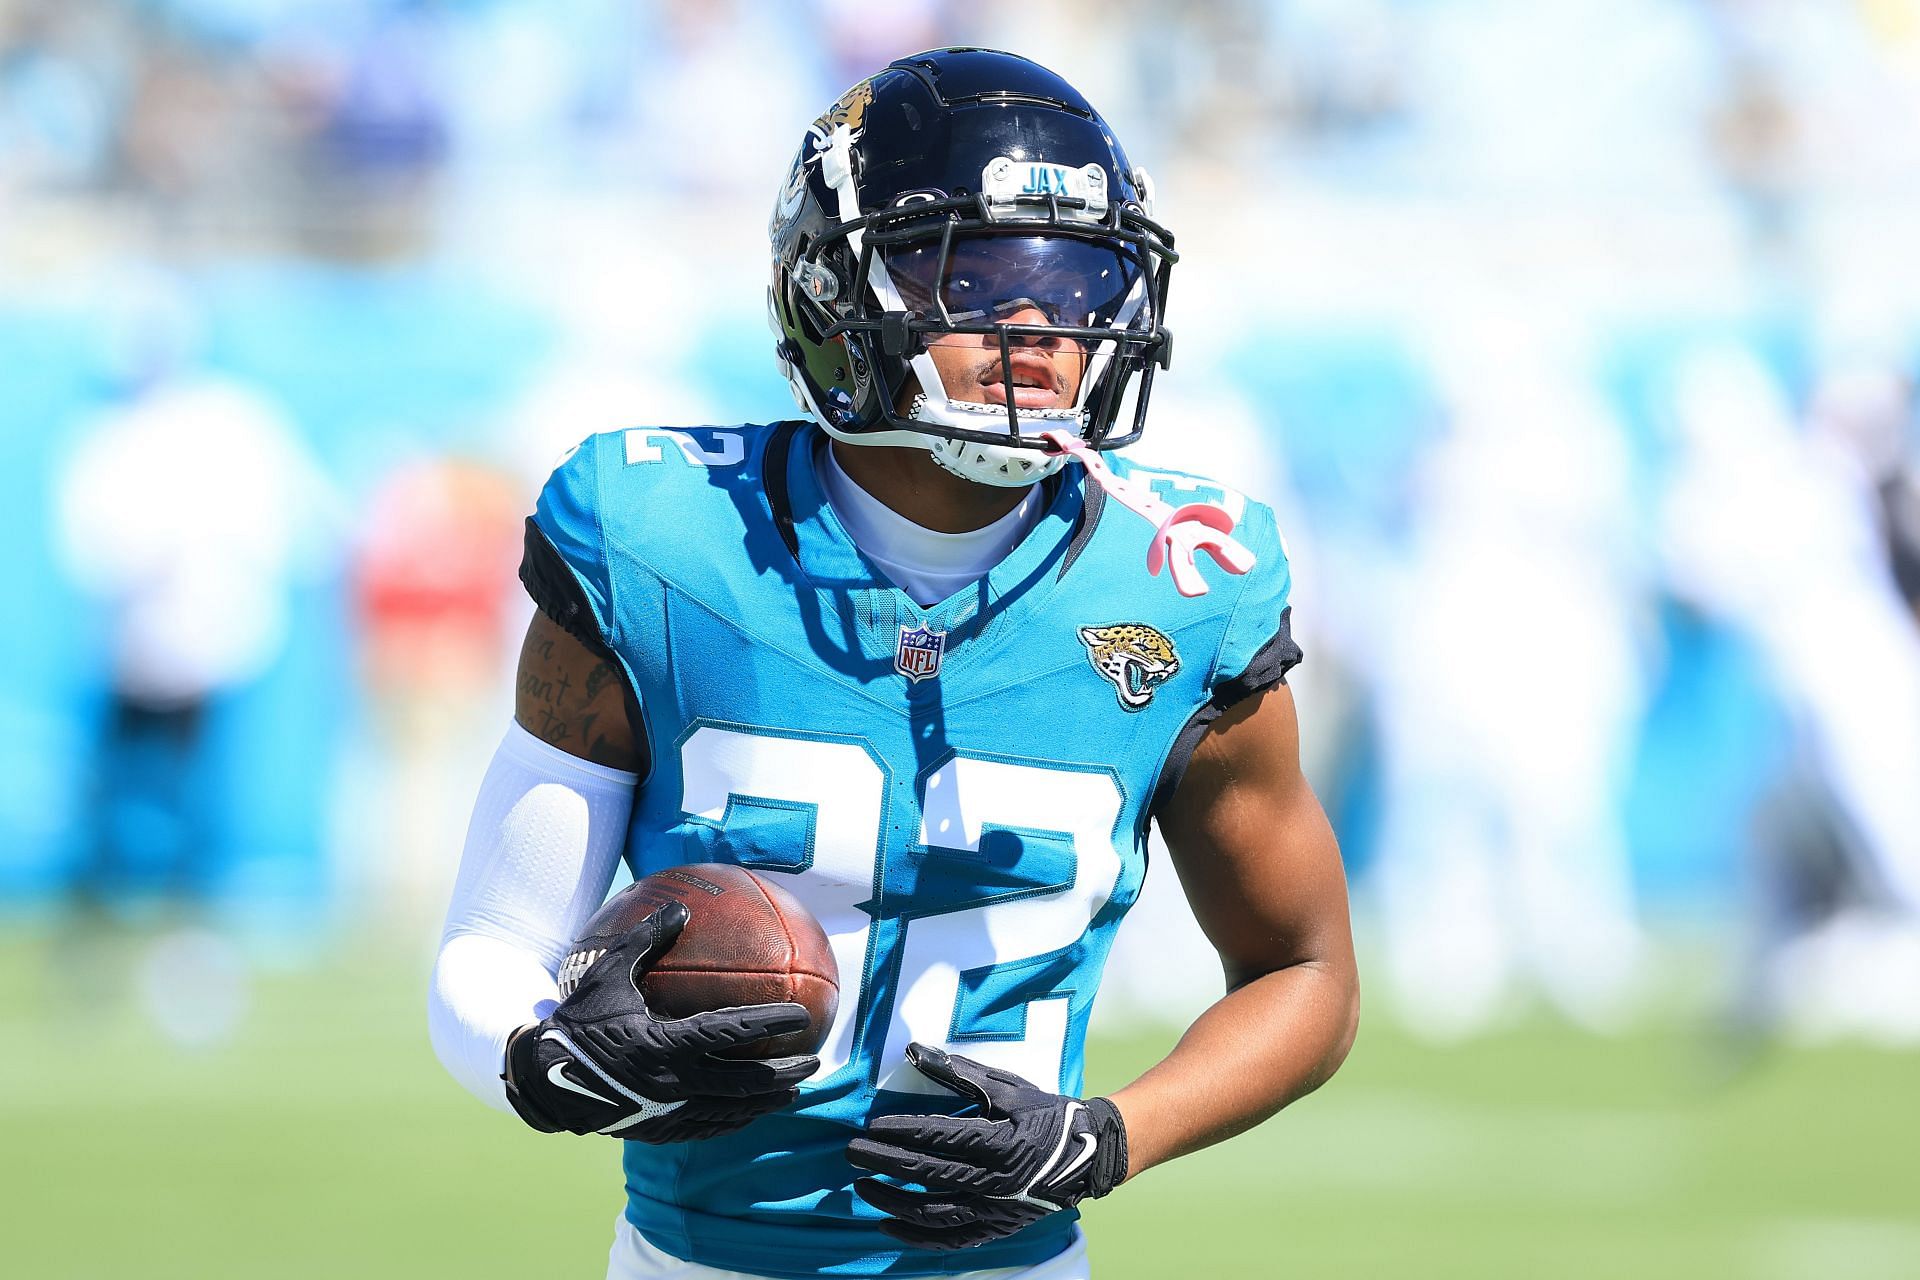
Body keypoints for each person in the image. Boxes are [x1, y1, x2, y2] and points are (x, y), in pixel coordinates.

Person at [430, 48, 1358, 1280]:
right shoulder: (666, 540)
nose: (1038, 326)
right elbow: (493, 944)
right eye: (976, 273)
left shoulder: (1185, 584)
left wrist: (1108, 1136)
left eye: (1075, 276)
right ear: (833, 285)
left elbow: (1305, 970)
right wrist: (541, 1059)